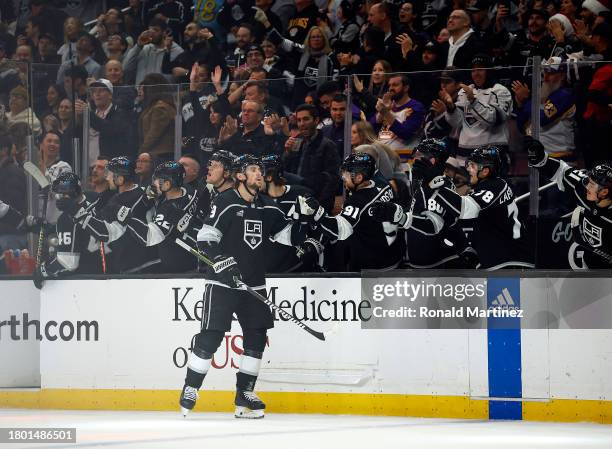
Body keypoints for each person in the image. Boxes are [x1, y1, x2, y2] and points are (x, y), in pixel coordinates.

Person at [180, 154, 307, 419]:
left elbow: (289, 236)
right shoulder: (225, 201)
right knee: (211, 336)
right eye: (253, 169)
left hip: (254, 283)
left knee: (257, 336)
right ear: (240, 175)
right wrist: (220, 261)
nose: (259, 174)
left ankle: (244, 393)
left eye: (260, 169)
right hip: (223, 282)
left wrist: (307, 218)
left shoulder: (267, 207)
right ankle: (191, 388)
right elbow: (206, 238)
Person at [371, 138, 478, 268]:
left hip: (440, 264)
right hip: (421, 263)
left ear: (432, 160)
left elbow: (433, 225)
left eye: (418, 156)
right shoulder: (421, 182)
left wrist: (400, 217)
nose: (413, 160)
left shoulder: (442, 185)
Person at [427, 146, 534, 270]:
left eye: (472, 166)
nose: (468, 169)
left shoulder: (496, 185)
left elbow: (466, 210)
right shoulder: (489, 186)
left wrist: (437, 187)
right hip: (503, 260)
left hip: (512, 261)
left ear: (485, 171)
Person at [294, 152, 404, 271]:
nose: (343, 178)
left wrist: (317, 213)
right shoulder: (382, 182)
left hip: (375, 267)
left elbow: (338, 231)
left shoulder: (358, 202)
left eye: (346, 174)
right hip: (395, 253)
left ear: (359, 177)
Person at [527, 137, 612, 269]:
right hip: (589, 265)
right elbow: (562, 172)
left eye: (592, 184)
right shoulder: (585, 190)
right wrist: (539, 159)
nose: (587, 186)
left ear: (604, 192)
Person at [72, 156, 160, 274]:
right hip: (151, 260)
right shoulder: (142, 191)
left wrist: (76, 211)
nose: (108, 178)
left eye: (110, 174)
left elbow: (99, 228)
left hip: (137, 264)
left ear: (120, 178)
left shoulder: (119, 201)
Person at [124, 161, 201, 273]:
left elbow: (148, 238)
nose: (153, 182)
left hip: (179, 267)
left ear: (167, 184)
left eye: (157, 179)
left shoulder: (169, 210)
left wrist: (126, 218)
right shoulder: (188, 189)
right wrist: (146, 198)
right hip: (190, 257)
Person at [32, 172, 100, 288]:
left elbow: (68, 263)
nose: (60, 198)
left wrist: (43, 270)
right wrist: (52, 228)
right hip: (111, 272)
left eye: (62, 194)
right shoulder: (96, 199)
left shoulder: (65, 219)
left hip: (86, 282)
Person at [444, 55, 513, 164]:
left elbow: (495, 120)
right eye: (473, 70)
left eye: (480, 69)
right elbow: (457, 123)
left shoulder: (501, 91)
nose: (476, 73)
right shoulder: (465, 91)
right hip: (464, 155)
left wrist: (473, 101)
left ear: (489, 71)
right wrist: (451, 108)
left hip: (492, 155)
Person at [260, 154, 322, 272]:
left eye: (260, 173)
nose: (256, 177)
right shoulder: (257, 200)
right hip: (267, 270)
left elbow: (319, 226)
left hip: (297, 268)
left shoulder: (302, 194)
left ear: (269, 176)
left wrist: (313, 244)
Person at [283, 104, 341, 212]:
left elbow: (332, 180)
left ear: (316, 120)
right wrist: (287, 153)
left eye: (306, 119)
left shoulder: (328, 145)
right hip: (294, 200)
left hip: (315, 202)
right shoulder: (296, 141)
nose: (302, 124)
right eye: (299, 120)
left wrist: (319, 207)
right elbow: (285, 171)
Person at [369, 74, 426, 157]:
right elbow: (370, 129)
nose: (391, 88)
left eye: (395, 85)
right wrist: (382, 111)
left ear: (406, 88)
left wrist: (385, 112)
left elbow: (405, 133)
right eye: (390, 85)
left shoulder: (416, 107)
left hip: (403, 160)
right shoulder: (389, 107)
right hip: (382, 157)